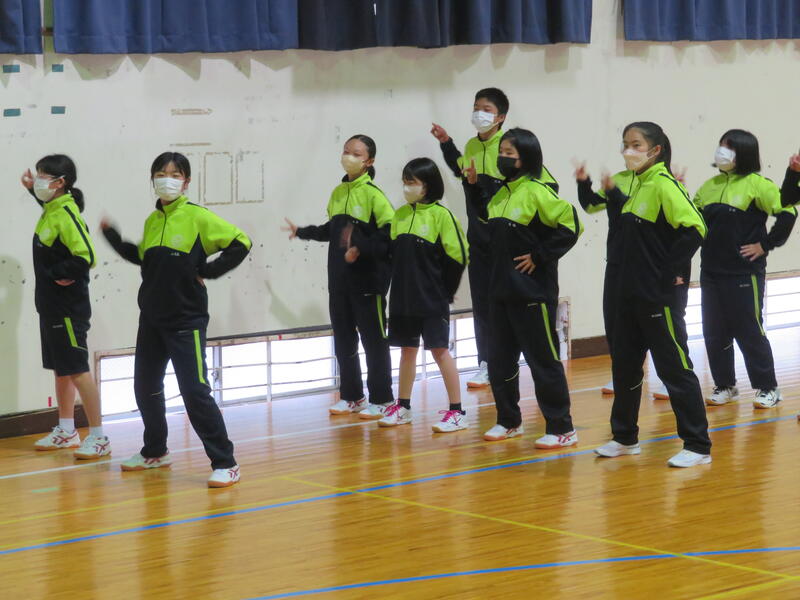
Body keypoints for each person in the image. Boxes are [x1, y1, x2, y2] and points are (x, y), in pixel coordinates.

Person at [102, 152, 250, 487]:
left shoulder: (198, 217)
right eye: (160, 173)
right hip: (151, 319)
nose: (166, 179)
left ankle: (226, 462)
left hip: (186, 320)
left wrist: (209, 271)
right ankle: (155, 451)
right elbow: (145, 259)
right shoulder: (153, 221)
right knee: (146, 387)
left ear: (186, 181)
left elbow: (241, 242)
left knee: (194, 391)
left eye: (174, 174)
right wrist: (114, 239)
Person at [593, 122, 712, 468]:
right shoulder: (635, 186)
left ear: (655, 150)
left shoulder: (663, 184)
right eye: (625, 144)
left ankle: (697, 445)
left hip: (657, 297)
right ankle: (624, 438)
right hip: (628, 295)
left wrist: (670, 272)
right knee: (625, 367)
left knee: (675, 369)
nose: (628, 151)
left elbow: (696, 228)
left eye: (636, 144)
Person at [431, 88, 559, 390]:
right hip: (480, 242)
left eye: (486, 109)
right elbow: (461, 169)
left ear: (500, 117)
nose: (479, 113)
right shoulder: (471, 146)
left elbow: (546, 185)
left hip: (509, 246)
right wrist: (446, 144)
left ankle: (539, 365)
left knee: (519, 309)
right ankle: (487, 363)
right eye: (476, 107)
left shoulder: (511, 148)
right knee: (484, 304)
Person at [469, 128, 582, 448]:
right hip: (500, 293)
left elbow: (572, 225)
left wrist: (539, 256)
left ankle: (562, 428)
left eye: (509, 153)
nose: (503, 158)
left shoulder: (537, 191)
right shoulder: (500, 194)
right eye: (501, 152)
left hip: (532, 294)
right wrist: (474, 187)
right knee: (500, 362)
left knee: (543, 362)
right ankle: (508, 421)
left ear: (526, 158)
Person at [283, 135, 396, 419]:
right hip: (340, 281)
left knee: (374, 341)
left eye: (356, 153)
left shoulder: (373, 195)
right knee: (344, 340)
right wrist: (302, 232)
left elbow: (389, 235)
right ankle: (352, 396)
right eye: (346, 151)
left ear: (369, 161)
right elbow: (331, 231)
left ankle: (382, 399)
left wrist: (361, 249)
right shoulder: (337, 192)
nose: (349, 157)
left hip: (368, 282)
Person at [695, 130, 799, 409]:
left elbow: (788, 212)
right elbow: (692, 221)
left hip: (744, 272)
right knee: (714, 331)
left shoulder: (758, 185)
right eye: (721, 146)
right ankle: (725, 385)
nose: (722, 151)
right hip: (711, 271)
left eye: (729, 147)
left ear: (744, 152)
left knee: (749, 329)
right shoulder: (709, 186)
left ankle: (768, 387)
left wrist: (765, 245)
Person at [367, 158, 469, 432]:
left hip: (432, 300)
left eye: (412, 182)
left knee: (439, 351)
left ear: (428, 185)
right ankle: (403, 407)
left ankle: (457, 412)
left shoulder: (442, 216)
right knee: (407, 351)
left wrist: (446, 291)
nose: (406, 187)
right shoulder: (399, 216)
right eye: (404, 181)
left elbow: (459, 257)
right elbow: (389, 255)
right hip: (403, 299)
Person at [22, 155, 111, 459]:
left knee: (77, 370)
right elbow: (48, 207)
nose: (39, 180)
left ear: (60, 183)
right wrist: (32, 189)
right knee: (62, 370)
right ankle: (66, 430)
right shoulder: (52, 209)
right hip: (49, 307)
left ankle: (98, 437)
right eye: (38, 174)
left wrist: (59, 274)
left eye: (43, 176)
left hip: (68, 309)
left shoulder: (67, 213)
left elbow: (86, 256)